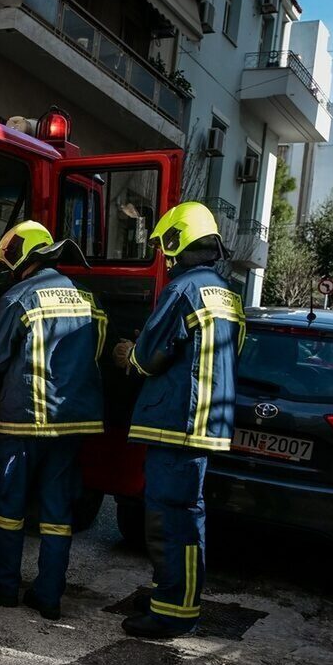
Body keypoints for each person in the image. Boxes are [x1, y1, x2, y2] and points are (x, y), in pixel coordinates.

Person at [112, 201, 242, 639]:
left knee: (170, 516)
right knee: (189, 513)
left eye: (166, 248)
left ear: (177, 242)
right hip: (209, 423)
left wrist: (128, 354)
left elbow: (149, 359)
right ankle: (178, 594)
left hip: (176, 422)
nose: (164, 259)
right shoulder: (227, 293)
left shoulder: (182, 290)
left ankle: (173, 610)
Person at [0, 220, 106, 621]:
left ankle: (4, 585)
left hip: (25, 420)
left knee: (9, 507)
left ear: (22, 257)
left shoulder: (19, 297)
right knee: (56, 513)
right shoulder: (88, 299)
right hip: (71, 423)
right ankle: (49, 596)